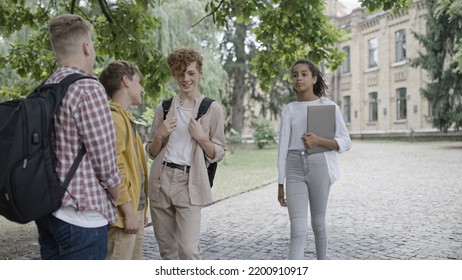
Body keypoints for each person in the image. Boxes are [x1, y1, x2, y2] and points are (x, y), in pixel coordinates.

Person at [34, 14, 121, 260]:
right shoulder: (87, 88)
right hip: (81, 214)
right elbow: (104, 156)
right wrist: (116, 191)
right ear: (86, 47)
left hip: (48, 209)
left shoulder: (46, 87)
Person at [146, 48, 226, 260]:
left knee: (189, 251)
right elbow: (152, 152)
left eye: (190, 73)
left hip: (189, 183)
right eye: (180, 73)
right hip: (160, 180)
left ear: (200, 73)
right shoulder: (163, 108)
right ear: (174, 75)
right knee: (167, 252)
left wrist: (201, 137)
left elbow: (218, 153)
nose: (185, 78)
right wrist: (160, 134)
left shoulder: (212, 109)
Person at [277, 58, 352, 260]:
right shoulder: (289, 109)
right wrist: (280, 183)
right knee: (298, 229)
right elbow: (282, 148)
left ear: (314, 78)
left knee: (318, 223)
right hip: (294, 167)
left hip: (320, 166)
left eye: (303, 74)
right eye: (295, 75)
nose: (298, 78)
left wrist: (319, 140)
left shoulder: (329, 107)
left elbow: (346, 142)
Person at [99, 61, 149, 260]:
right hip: (122, 216)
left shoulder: (125, 118)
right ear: (126, 81)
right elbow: (114, 169)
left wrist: (140, 210)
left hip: (133, 210)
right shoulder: (114, 119)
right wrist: (128, 212)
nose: (142, 88)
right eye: (138, 82)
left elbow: (135, 168)